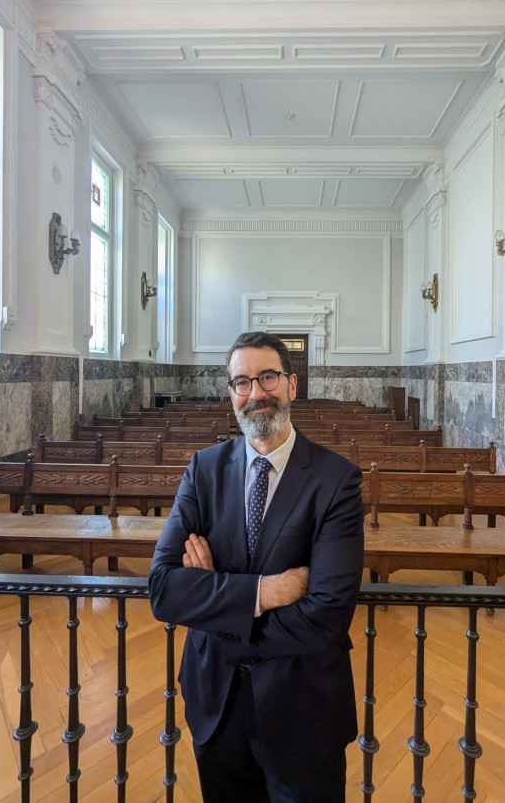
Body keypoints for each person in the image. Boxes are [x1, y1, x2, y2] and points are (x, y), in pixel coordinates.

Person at [148, 331, 364, 803]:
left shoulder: (335, 479)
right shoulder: (203, 469)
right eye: (241, 382)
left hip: (301, 706)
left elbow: (327, 615)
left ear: (291, 384)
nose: (255, 393)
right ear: (231, 393)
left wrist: (213, 600)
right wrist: (263, 593)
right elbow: (164, 588)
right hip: (215, 701)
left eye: (267, 377)